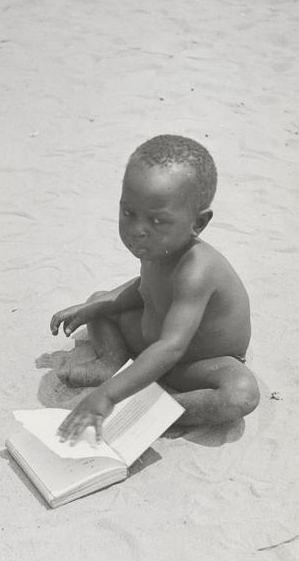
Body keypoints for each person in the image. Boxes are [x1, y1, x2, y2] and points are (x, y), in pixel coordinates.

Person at [49, 134, 259, 443]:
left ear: (198, 224)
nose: (138, 231)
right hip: (151, 341)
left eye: (158, 221)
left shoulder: (197, 269)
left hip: (197, 362)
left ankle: (166, 410)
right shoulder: (158, 249)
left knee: (240, 394)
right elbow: (144, 288)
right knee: (99, 302)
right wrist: (98, 306)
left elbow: (171, 347)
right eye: (128, 213)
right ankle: (111, 362)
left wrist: (106, 397)